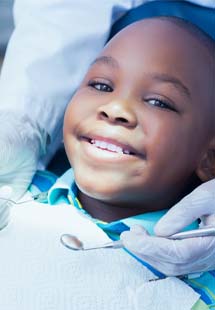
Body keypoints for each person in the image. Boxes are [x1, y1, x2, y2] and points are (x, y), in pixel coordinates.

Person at [3, 16, 215, 309]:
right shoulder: (12, 197)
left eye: (158, 102)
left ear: (210, 158)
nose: (116, 109)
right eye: (101, 85)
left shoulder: (200, 280)